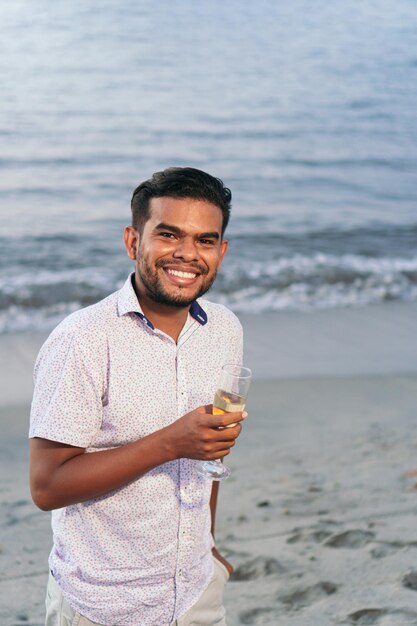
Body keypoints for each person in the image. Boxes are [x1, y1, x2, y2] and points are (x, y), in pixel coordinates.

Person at [29, 167, 246, 626]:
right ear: (133, 242)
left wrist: (210, 550)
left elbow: (210, 451)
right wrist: (171, 443)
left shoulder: (225, 329)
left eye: (205, 240)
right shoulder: (83, 340)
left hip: (195, 593)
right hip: (102, 605)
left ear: (221, 251)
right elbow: (46, 487)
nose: (187, 255)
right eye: (169, 235)